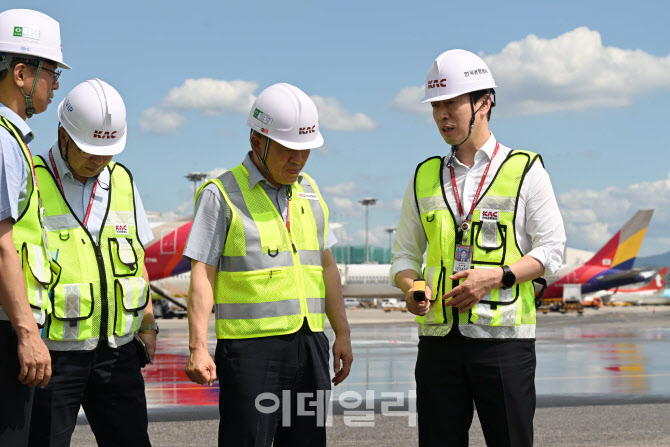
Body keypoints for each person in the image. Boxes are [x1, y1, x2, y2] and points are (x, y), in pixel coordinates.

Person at [391, 49, 566, 446]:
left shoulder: (525, 170)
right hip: (437, 345)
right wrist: (410, 287)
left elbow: (553, 251)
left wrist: (496, 277)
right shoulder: (423, 177)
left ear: (484, 102)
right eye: (436, 106)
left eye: (451, 103)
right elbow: (403, 255)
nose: (442, 116)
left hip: (504, 346)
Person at [184, 82, 353, 447]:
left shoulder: (310, 191)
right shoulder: (221, 194)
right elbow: (203, 274)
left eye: (305, 150)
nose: (298, 160)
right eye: (288, 150)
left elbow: (326, 268)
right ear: (257, 141)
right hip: (250, 352)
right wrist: (197, 346)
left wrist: (343, 333)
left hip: (310, 347)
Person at [27, 79, 157, 447]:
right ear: (62, 134)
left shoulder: (123, 181)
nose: (98, 160)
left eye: (107, 151)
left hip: (118, 353)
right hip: (52, 357)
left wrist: (149, 323)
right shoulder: (31, 180)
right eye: (89, 150)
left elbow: (137, 260)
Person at [0, 9, 69, 445]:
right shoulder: (4, 143)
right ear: (22, 73)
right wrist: (26, 333)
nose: (56, 85)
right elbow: (2, 244)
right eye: (51, 73)